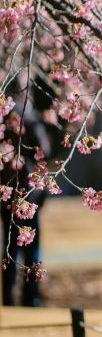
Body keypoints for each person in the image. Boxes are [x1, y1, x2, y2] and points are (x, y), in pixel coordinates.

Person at [1, 94, 51, 307]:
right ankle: (31, 295)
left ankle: (8, 293)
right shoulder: (30, 120)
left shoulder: (3, 123)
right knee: (31, 246)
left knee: (10, 245)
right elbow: (45, 151)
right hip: (28, 194)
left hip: (6, 194)